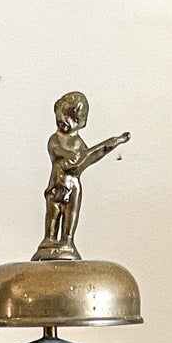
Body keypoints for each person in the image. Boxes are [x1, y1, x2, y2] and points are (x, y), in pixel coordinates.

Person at [35, 91, 129, 261]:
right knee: (53, 213)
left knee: (70, 217)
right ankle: (49, 240)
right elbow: (66, 158)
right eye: (60, 120)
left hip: (73, 187)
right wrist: (76, 157)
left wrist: (115, 142)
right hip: (56, 187)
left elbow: (86, 159)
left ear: (80, 123)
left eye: (72, 120)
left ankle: (67, 241)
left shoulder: (79, 144)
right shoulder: (54, 140)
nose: (64, 124)